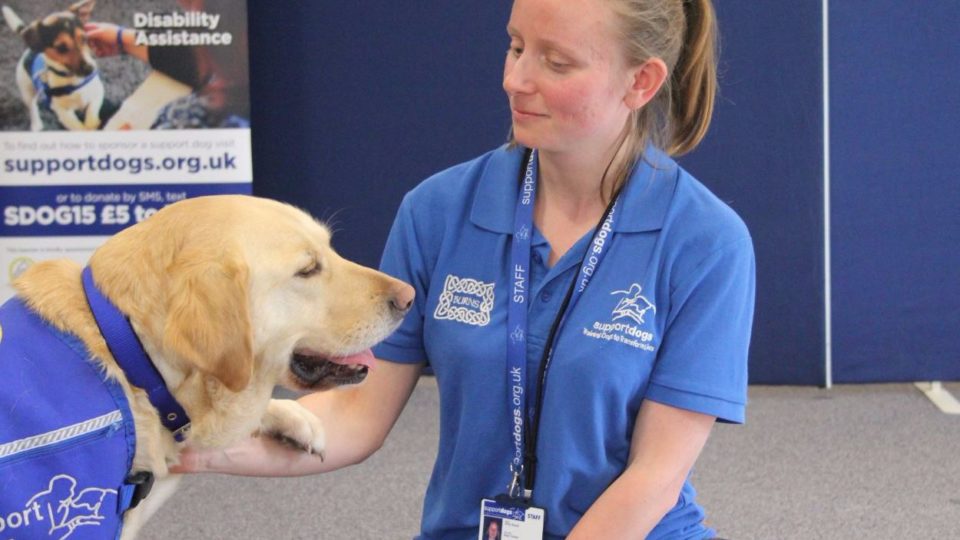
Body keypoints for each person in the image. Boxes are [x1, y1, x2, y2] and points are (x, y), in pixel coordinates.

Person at [175, 0, 754, 538]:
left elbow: (654, 477)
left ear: (641, 82)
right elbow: (355, 414)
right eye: (515, 46)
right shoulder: (438, 211)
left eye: (556, 62)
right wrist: (197, 445)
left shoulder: (705, 242)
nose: (516, 79)